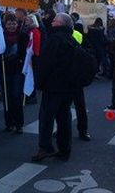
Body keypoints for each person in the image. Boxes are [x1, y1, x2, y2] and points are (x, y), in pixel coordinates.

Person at [32, 13, 76, 162]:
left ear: (61, 24)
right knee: (64, 118)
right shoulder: (72, 39)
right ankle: (64, 149)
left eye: (55, 20)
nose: (52, 22)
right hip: (68, 87)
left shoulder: (54, 39)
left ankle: (45, 147)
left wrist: (40, 82)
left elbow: (46, 63)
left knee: (46, 118)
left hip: (53, 86)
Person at [0, 14, 26, 133]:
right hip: (5, 69)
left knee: (16, 96)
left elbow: (26, 53)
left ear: (17, 24)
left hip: (17, 70)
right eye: (9, 23)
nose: (11, 26)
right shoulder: (1, 36)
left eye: (13, 23)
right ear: (5, 25)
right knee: (7, 96)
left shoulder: (22, 36)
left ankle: (19, 123)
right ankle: (9, 122)